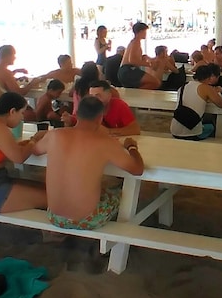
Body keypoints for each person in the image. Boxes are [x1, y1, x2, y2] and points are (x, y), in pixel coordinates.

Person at [33, 95, 145, 230]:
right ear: (100, 118)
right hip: (88, 219)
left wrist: (36, 138)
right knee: (119, 193)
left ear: (77, 115)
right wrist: (131, 147)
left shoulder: (55, 135)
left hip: (55, 216)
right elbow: (137, 169)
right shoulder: (105, 143)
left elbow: (36, 151)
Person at [171, 64, 222, 140]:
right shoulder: (206, 88)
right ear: (209, 77)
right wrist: (215, 92)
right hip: (192, 134)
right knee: (211, 126)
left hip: (174, 130)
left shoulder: (183, 87)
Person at [119, 22, 161, 89]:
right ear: (141, 32)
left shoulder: (135, 42)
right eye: (145, 32)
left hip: (126, 71)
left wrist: (148, 58)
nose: (146, 34)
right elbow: (132, 60)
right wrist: (149, 64)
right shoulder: (136, 42)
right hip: (128, 70)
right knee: (156, 82)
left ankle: (136, 93)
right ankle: (137, 94)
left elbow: (136, 58)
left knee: (154, 82)